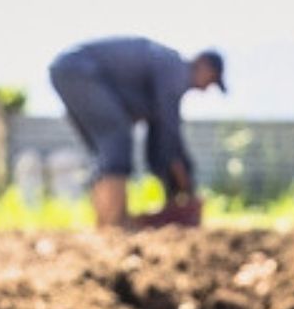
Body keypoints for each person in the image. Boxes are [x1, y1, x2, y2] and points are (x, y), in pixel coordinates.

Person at [46, 38, 225, 230]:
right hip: (80, 72)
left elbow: (158, 137)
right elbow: (168, 132)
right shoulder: (176, 70)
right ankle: (115, 223)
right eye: (212, 80)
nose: (207, 88)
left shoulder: (167, 68)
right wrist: (185, 183)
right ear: (203, 64)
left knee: (107, 149)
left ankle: (105, 224)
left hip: (70, 72)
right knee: (117, 138)